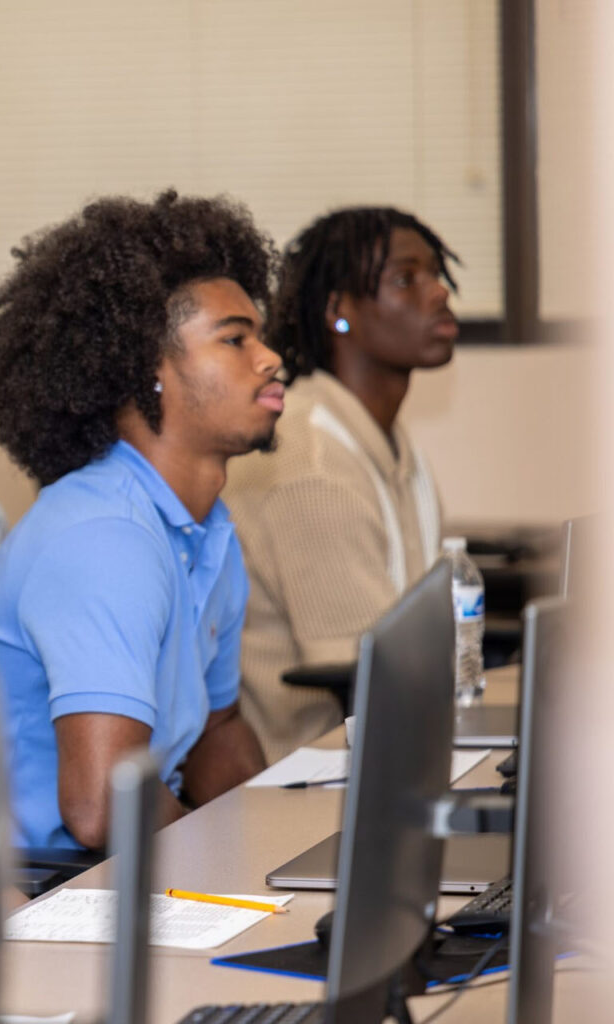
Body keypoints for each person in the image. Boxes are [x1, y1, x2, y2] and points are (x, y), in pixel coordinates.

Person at [0, 191, 277, 852]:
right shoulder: (105, 537)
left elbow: (217, 732)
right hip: (43, 882)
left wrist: (281, 846)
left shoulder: (207, 528)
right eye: (236, 339)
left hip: (122, 861)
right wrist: (234, 874)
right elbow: (102, 806)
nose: (269, 358)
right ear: (149, 371)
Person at [221, 207, 459, 761]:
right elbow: (368, 667)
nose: (439, 292)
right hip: (310, 774)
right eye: (406, 279)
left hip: (378, 753)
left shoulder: (388, 444)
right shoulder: (313, 461)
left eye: (436, 274)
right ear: (338, 312)